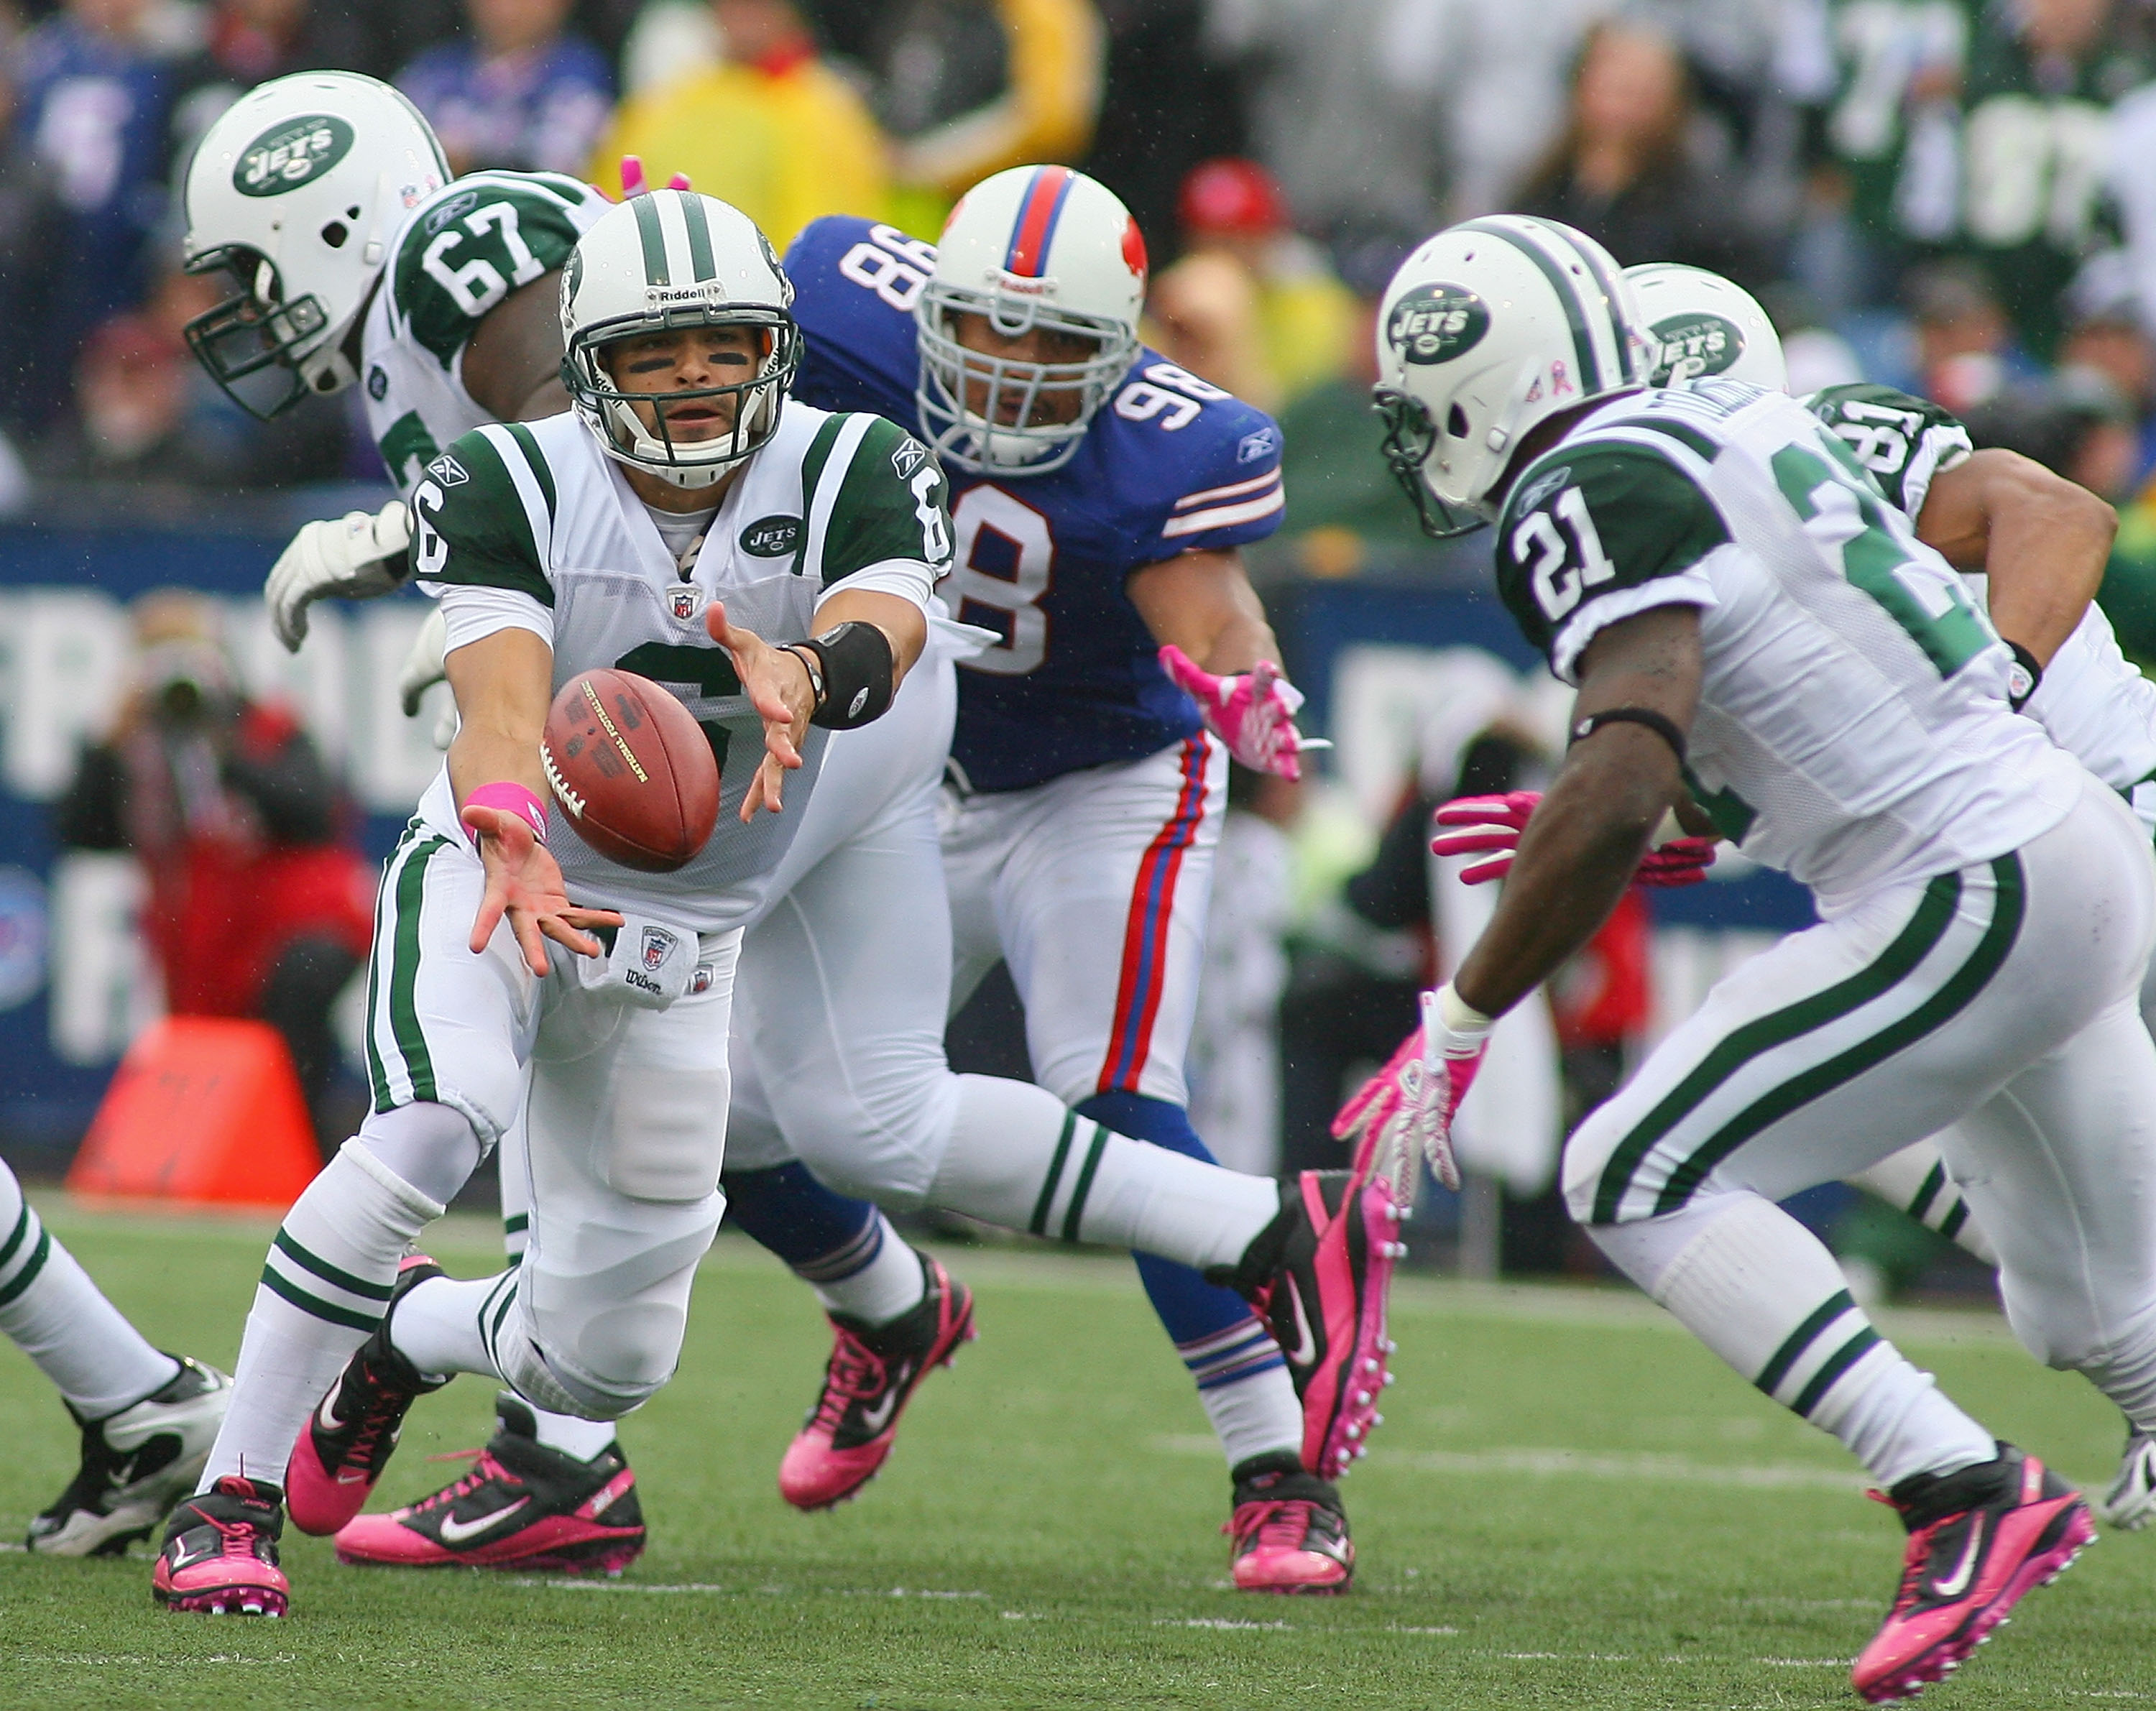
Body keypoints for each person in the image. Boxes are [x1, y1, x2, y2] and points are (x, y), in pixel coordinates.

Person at [174, 68, 971, 1578]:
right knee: (437, 1109)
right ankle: (230, 1500)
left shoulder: (855, 463)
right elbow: (495, 706)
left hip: (693, 904)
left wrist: (810, 667)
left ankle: (413, 1329)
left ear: (778, 356)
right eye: (652, 354)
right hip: (514, 857)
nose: (687, 383)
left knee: (598, 1361)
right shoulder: (509, 476)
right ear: (598, 363)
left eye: (724, 351)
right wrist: (502, 816)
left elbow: (884, 613)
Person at [1364, 213, 2156, 1702]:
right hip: (2066, 843)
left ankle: (1958, 1484)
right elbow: (1761, 721)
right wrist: (1682, 808)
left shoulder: (1590, 479)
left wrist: (1464, 1014)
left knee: (1632, 1169)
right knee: (2097, 1313)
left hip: (1972, 874)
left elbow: (1621, 767)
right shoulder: (1717, 434)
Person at [772, 168, 1391, 1589]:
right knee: (728, 1099)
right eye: (987, 328)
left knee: (1114, 1096)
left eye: (1055, 347)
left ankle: (1276, 1470)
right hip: (907, 776)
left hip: (1102, 784)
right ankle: (884, 1305)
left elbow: (1215, 607)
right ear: (936, 304)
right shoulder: (833, 301)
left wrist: (1244, 683)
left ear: (1120, 352)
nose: (1008, 369)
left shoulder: (1179, 445)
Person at [53, 591, 376, 1144]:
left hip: (293, 927)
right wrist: (106, 740)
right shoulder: (134, 751)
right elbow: (83, 832)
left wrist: (225, 752)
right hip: (205, 941)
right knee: (224, 1065)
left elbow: (315, 813)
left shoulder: (269, 728)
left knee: (293, 1026)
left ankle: (307, 1156)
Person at [585, 0, 888, 250]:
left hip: (762, 310)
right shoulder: (669, 101)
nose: (741, 12)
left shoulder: (826, 111)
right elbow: (606, 207)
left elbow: (826, 245)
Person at [1513, 19, 1767, 287]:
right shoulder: (1543, 188)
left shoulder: (1700, 207)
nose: (1620, 108)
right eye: (1611, 89)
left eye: (1638, 92)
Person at [396, 0, 614, 176]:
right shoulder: (435, 67)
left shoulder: (580, 73)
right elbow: (390, 138)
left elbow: (554, 169)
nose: (506, 7)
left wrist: (465, 161)